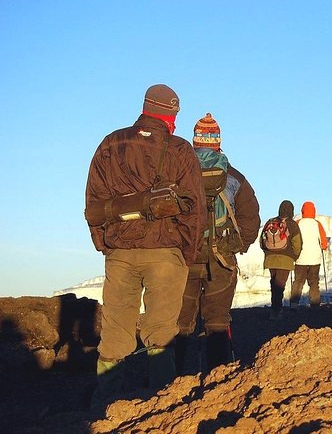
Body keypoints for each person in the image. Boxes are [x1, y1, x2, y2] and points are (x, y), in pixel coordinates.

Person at [85, 84, 207, 407]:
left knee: (114, 333)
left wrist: (107, 246)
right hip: (166, 256)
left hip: (120, 254)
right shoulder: (181, 151)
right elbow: (195, 210)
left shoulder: (111, 144)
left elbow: (93, 202)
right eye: (174, 116)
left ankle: (103, 405)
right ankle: (161, 406)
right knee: (161, 333)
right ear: (169, 116)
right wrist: (186, 254)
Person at [176, 112, 260, 373]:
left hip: (184, 257)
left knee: (179, 323)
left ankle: (172, 379)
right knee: (217, 322)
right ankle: (217, 378)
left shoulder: (177, 173)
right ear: (218, 143)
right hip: (221, 259)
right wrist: (236, 245)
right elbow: (251, 219)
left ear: (195, 142)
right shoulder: (234, 177)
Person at [260, 200, 302, 320]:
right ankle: (276, 311)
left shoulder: (271, 222)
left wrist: (268, 252)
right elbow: (297, 243)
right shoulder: (292, 224)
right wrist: (294, 256)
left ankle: (275, 309)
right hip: (286, 259)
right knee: (280, 285)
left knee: (274, 284)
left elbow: (261, 241)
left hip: (270, 259)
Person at [290, 201, 329, 307]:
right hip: (314, 259)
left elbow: (292, 239)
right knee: (314, 282)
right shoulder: (317, 224)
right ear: (314, 211)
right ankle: (315, 304)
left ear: (302, 210)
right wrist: (324, 246)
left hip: (300, 258)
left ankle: (294, 303)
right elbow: (324, 243)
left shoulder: (297, 223)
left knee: (298, 281)